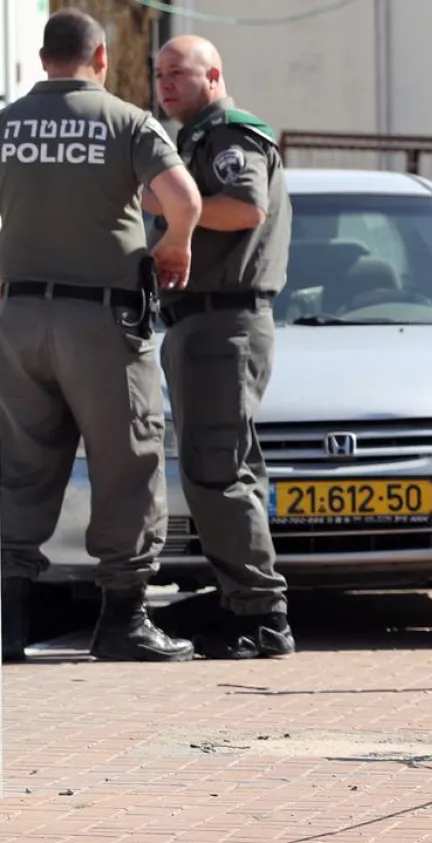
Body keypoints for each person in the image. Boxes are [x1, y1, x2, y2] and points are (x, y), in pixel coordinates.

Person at [0, 10, 202, 664]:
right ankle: (123, 620)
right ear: (103, 59)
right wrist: (176, 244)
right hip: (102, 323)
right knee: (127, 465)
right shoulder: (126, 121)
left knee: (18, 466)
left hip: (18, 317)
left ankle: (6, 624)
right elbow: (185, 199)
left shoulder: (8, 124)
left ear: (42, 58)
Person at [147, 35, 295, 659]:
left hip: (222, 323)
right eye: (159, 73)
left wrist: (171, 203)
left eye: (178, 72)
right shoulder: (195, 138)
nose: (165, 83)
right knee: (225, 470)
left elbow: (245, 208)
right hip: (206, 324)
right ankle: (242, 602)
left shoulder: (228, 134)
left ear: (213, 76)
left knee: (217, 474)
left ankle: (261, 616)